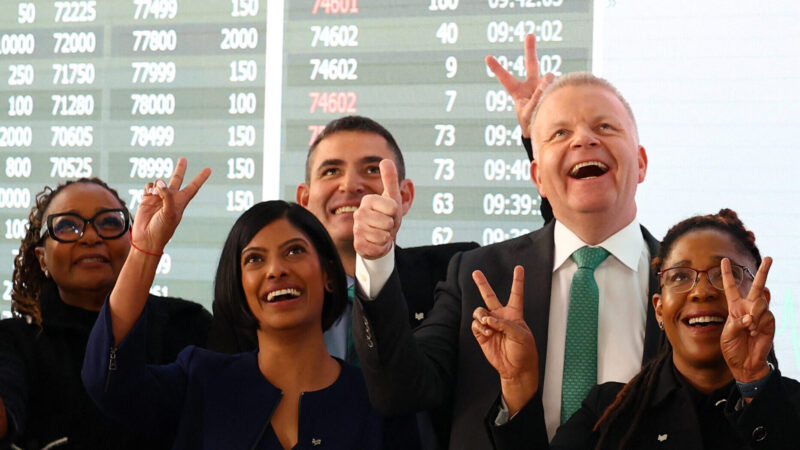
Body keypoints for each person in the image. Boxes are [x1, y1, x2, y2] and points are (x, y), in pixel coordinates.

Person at [351, 71, 661, 449]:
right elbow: (400, 390)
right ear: (538, 178)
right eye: (560, 133)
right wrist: (376, 262)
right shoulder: (478, 275)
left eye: (605, 126)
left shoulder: (686, 279)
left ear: (641, 163)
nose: (584, 139)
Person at [82, 161, 417, 449]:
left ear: (329, 275)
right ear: (238, 287)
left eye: (294, 251)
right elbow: (109, 383)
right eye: (255, 259)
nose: (276, 270)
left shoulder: (377, 400)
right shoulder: (201, 381)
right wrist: (147, 247)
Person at [480, 209, 800, 449]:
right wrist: (518, 380)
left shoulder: (790, 406)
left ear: (762, 299)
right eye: (680, 276)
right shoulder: (609, 411)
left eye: (724, 274)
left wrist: (753, 383)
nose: (701, 291)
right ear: (659, 308)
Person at [209, 115, 478, 359]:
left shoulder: (457, 275)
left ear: (404, 196)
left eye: (372, 169)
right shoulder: (260, 299)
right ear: (304, 200)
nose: (350, 185)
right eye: (331, 171)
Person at [0, 177, 211, 449]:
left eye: (109, 223)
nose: (90, 237)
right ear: (42, 259)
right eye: (67, 226)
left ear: (133, 240)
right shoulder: (15, 342)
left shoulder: (187, 324)